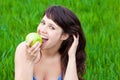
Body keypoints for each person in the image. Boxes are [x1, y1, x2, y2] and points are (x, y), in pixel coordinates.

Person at [15, 5, 86, 80]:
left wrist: (72, 57)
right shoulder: (25, 49)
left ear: (64, 36)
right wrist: (29, 60)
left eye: (51, 27)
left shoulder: (67, 57)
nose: (42, 30)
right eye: (43, 23)